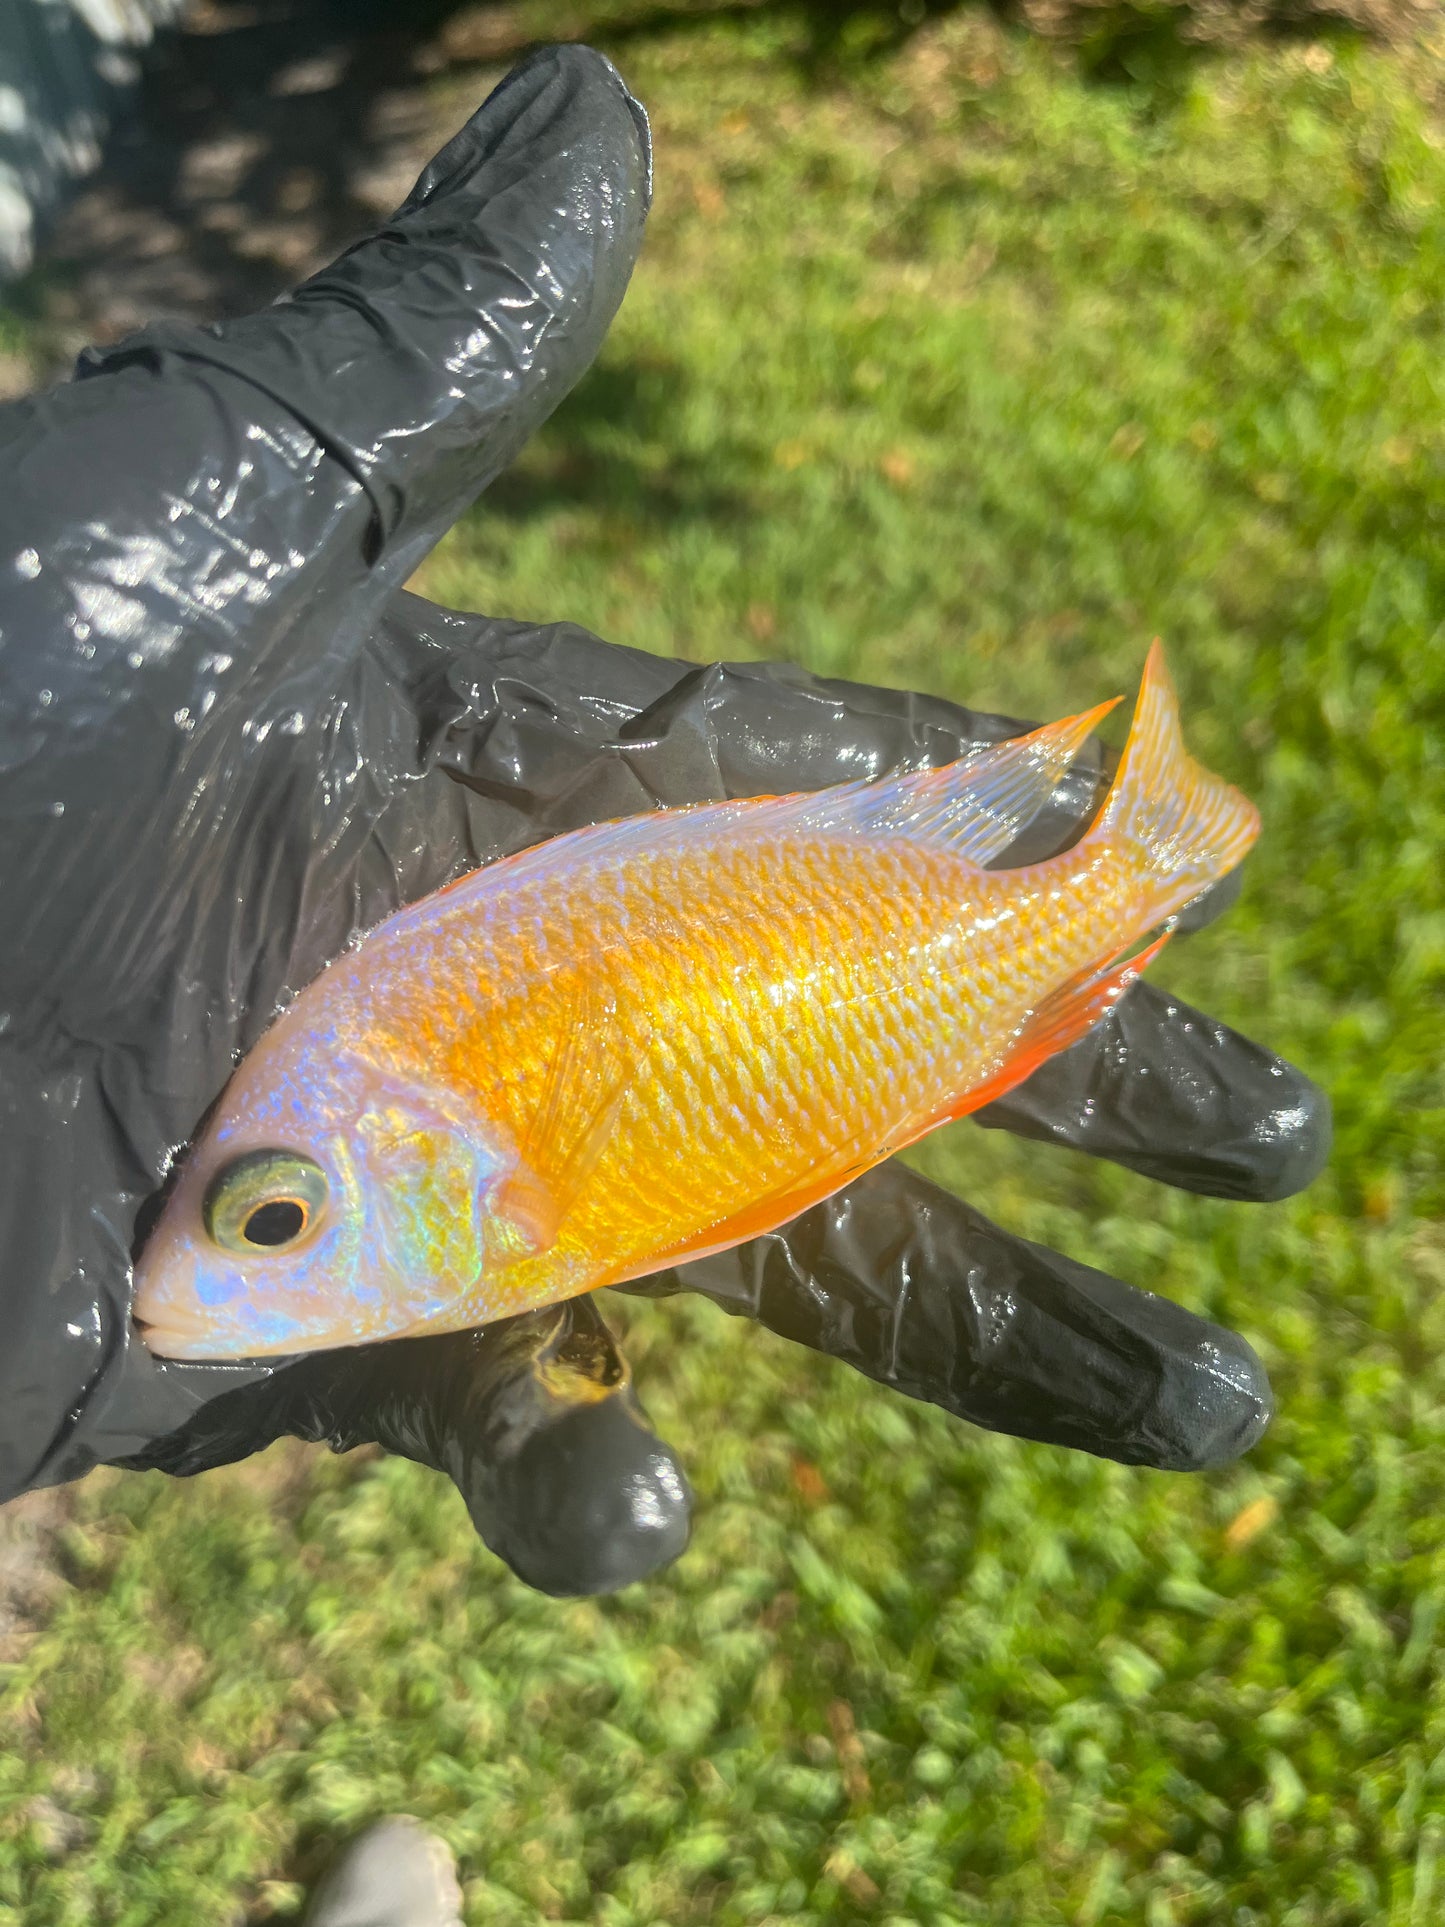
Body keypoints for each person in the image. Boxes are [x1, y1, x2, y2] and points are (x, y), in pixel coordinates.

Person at [0, 44, 1327, 1920]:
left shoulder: (396, 1099)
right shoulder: (394, 1139)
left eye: (272, 1211)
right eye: (270, 1213)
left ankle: (1130, 847)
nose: (216, 1264)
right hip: (815, 1012)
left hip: (822, 962)